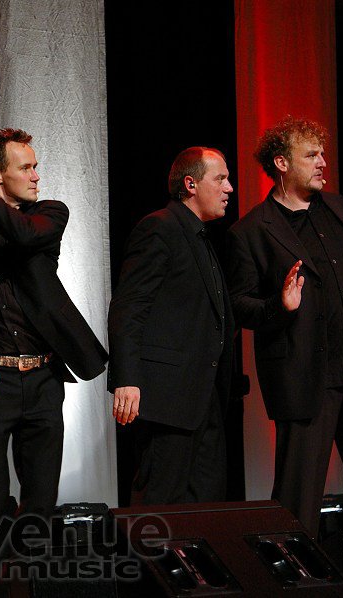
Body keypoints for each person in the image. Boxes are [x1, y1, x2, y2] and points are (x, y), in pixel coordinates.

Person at [225, 115, 343, 537]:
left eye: (322, 154)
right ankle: (292, 572)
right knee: (298, 497)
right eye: (311, 155)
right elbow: (240, 306)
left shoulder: (338, 207)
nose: (323, 162)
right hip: (306, 377)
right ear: (282, 163)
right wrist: (279, 305)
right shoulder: (251, 231)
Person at [0, 129, 108, 570]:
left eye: (36, 167)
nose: (37, 176)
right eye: (26, 167)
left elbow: (21, 236)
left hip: (42, 378)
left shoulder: (49, 214)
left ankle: (31, 577)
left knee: (41, 498)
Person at [107, 146, 236, 505]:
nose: (229, 188)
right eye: (221, 179)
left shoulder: (201, 238)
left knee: (205, 507)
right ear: (191, 184)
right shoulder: (160, 228)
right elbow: (129, 306)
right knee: (159, 504)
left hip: (204, 399)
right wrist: (127, 378)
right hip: (168, 401)